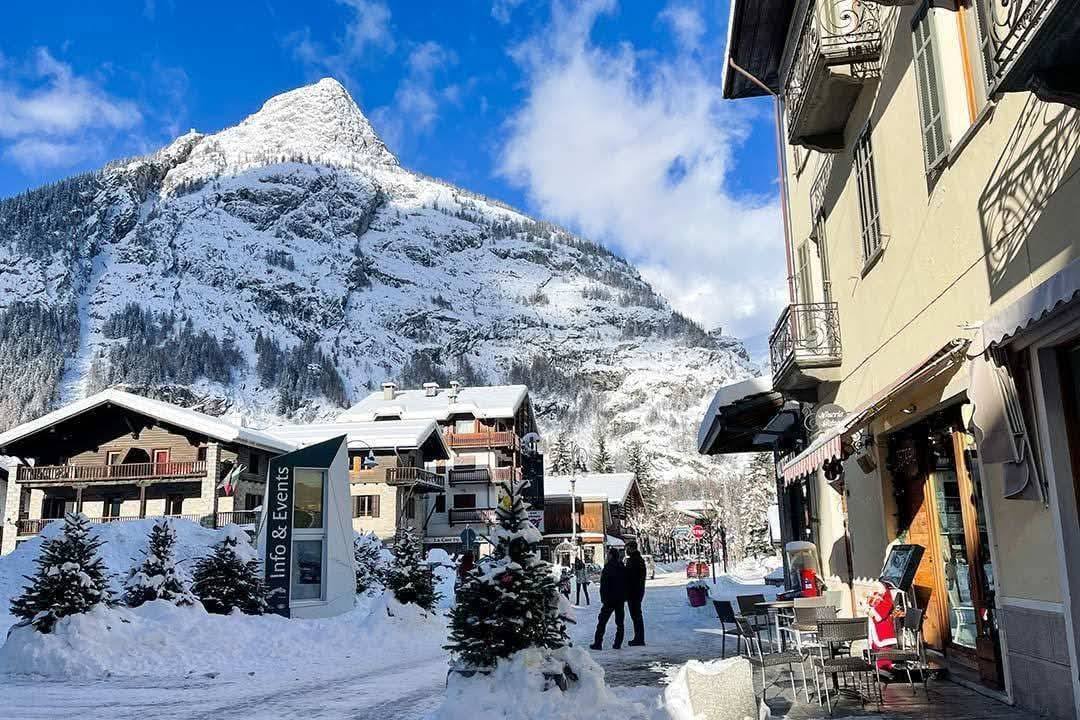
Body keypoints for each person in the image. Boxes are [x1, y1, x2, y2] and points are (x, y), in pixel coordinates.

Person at [590, 549, 625, 650]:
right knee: (620, 623)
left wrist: (603, 598)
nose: (607, 556)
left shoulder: (608, 567)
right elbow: (626, 583)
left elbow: (604, 585)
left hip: (609, 599)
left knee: (602, 621)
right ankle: (617, 643)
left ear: (611, 555)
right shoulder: (621, 566)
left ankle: (598, 643)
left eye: (608, 554)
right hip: (620, 599)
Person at [625, 540, 647, 646]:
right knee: (636, 615)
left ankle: (639, 638)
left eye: (627, 548)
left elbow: (629, 577)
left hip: (633, 592)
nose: (626, 550)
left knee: (636, 615)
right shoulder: (638, 559)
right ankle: (638, 637)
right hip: (637, 591)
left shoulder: (634, 560)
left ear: (631, 548)